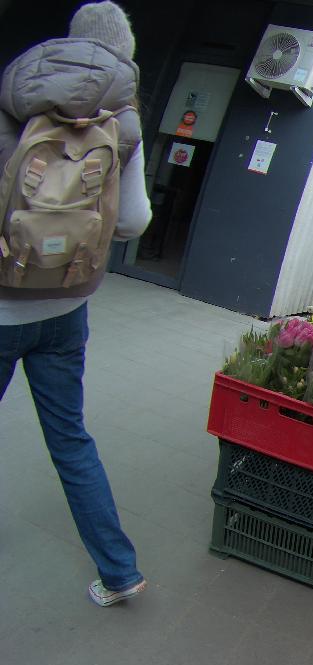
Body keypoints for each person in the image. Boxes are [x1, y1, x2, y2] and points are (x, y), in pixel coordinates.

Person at [0, 2, 151, 606]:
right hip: (66, 310)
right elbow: (134, 221)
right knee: (71, 440)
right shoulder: (125, 123)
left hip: (2, 303)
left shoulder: (15, 97)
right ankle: (119, 571)